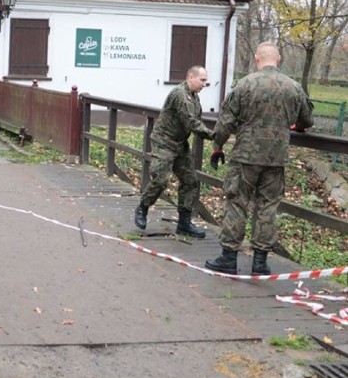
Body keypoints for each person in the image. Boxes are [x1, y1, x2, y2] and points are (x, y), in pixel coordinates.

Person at [205, 42, 314, 275]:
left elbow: (225, 122)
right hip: (276, 158)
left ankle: (229, 258)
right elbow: (307, 120)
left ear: (256, 59)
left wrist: (218, 146)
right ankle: (259, 262)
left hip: (245, 156)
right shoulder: (293, 87)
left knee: (237, 203)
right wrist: (297, 126)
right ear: (279, 59)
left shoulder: (244, 85)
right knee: (268, 206)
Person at [133, 65, 213, 238]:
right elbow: (191, 122)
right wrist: (213, 135)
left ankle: (184, 223)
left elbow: (196, 120)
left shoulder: (194, 97)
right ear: (190, 77)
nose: (204, 84)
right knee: (160, 179)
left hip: (180, 143)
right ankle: (143, 207)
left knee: (190, 180)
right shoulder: (179, 95)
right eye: (202, 80)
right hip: (164, 142)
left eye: (206, 81)